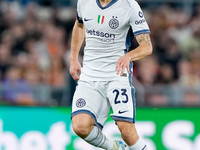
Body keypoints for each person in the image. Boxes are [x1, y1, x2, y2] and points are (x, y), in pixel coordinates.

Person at [70, 0, 152, 149]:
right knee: (79, 126)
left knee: (127, 132)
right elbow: (79, 24)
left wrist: (129, 56)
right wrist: (74, 58)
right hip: (89, 75)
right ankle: (114, 147)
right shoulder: (84, 2)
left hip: (116, 75)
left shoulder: (129, 5)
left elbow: (147, 46)